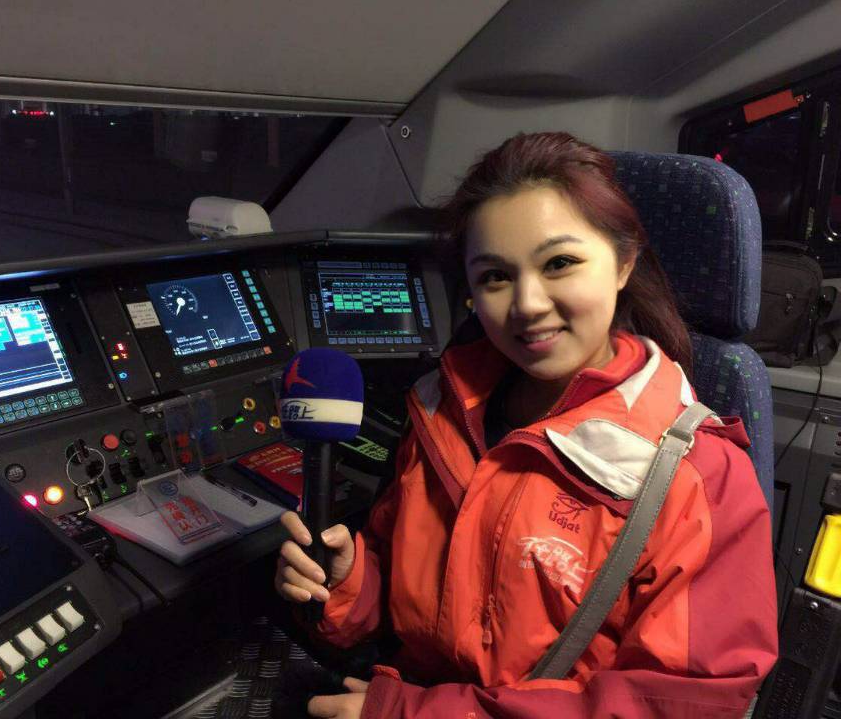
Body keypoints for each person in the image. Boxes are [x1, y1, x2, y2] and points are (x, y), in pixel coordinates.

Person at [274, 132, 778, 718]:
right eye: (495, 276)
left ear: (624, 262)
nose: (528, 304)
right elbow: (410, 596)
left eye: (559, 263)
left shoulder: (701, 476)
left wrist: (415, 713)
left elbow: (682, 704)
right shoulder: (441, 409)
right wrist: (349, 583)